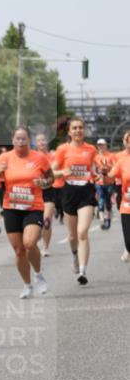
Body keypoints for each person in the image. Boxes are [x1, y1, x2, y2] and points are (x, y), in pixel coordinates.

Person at [0, 126, 53, 298]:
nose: (21, 142)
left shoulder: (39, 158)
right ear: (12, 140)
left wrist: (43, 183)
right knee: (19, 251)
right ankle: (27, 285)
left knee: (29, 243)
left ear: (28, 140)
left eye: (24, 139)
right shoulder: (4, 158)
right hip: (11, 208)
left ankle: (39, 276)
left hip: (33, 207)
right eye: (17, 139)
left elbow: (51, 178)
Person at [52, 117, 100, 285]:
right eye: (75, 128)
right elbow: (53, 172)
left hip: (86, 191)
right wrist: (63, 172)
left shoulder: (91, 149)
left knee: (82, 232)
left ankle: (82, 270)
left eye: (81, 127)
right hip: (69, 192)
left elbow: (94, 170)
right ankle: (74, 256)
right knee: (72, 235)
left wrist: (99, 174)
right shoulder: (62, 150)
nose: (78, 130)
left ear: (84, 130)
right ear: (69, 131)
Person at [103, 131, 130, 264]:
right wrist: (104, 174)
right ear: (126, 143)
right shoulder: (121, 160)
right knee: (129, 242)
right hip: (127, 204)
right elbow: (109, 179)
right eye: (128, 140)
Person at [35, 133, 56, 256]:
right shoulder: (32, 156)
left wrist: (45, 180)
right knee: (37, 221)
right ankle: (36, 236)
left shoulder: (52, 156)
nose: (41, 142)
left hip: (49, 190)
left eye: (43, 140)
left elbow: (54, 172)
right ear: (35, 143)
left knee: (47, 219)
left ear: (47, 142)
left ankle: (45, 247)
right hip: (36, 192)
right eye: (39, 140)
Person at [94, 138, 115, 230]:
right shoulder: (95, 157)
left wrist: (109, 167)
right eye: (99, 145)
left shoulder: (111, 156)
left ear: (106, 145)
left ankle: (108, 219)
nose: (101, 147)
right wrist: (96, 175)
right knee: (101, 201)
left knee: (108, 201)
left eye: (102, 145)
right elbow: (93, 169)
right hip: (99, 182)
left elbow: (115, 167)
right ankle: (102, 221)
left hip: (109, 182)